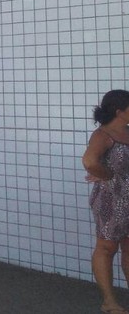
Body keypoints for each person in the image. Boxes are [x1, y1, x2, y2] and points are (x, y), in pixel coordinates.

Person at [83, 89, 129, 314]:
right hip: (111, 200)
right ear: (119, 111)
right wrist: (108, 175)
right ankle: (109, 302)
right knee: (106, 247)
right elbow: (90, 161)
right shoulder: (103, 136)